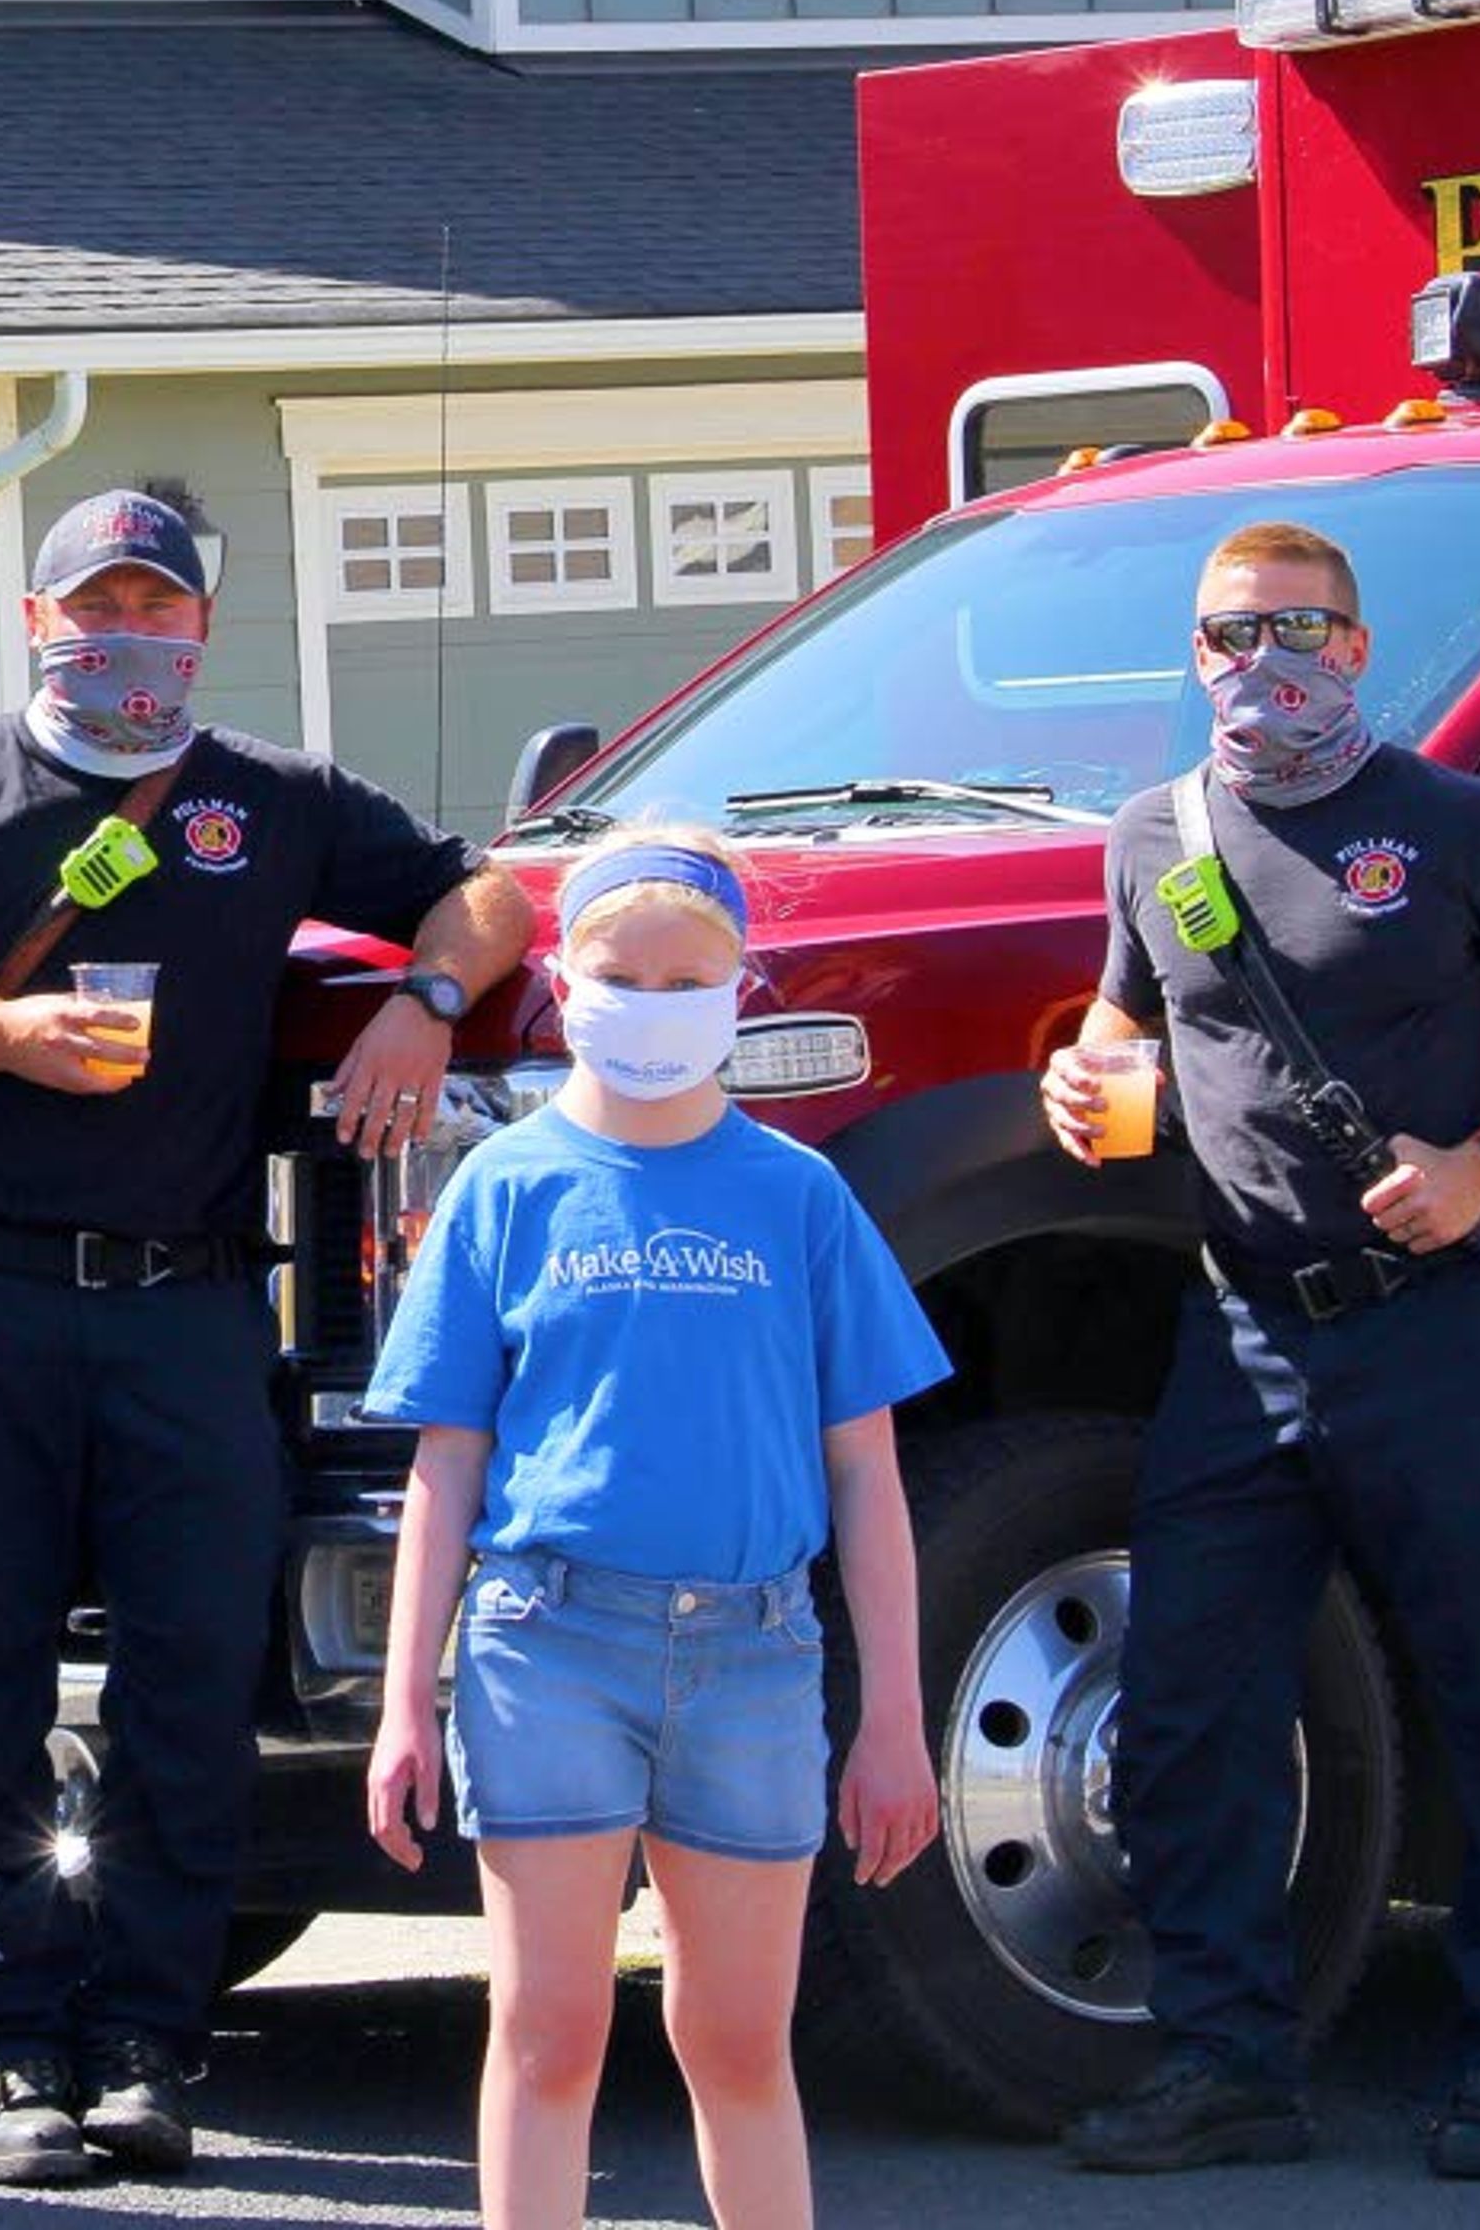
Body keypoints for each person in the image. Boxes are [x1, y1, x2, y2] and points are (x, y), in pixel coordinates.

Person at [0, 484, 536, 2185]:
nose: (127, 634)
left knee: (193, 1679)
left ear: (199, 630)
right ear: (41, 621)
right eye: (95, 604)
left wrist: (420, 1005)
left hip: (186, 1300)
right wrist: (1, 1031)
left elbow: (487, 900)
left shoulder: (266, 800)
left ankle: (146, 2037)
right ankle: (9, 2041)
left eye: (157, 605)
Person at [1043, 521, 1480, 2182]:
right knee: (1184, 1709)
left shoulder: (1459, 822)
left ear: (1358, 648)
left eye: (1294, 629)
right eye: (1228, 635)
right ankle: (1229, 2061)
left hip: (1439, 1328)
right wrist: (1082, 1084)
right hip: (1246, 1333)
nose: (1259, 663)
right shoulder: (1159, 837)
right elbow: (1121, 1026)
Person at [361, 828, 945, 2230]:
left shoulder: (800, 1196)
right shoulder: (505, 1188)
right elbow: (447, 1468)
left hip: (755, 1659)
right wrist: (404, 1704)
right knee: (549, 2030)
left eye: (692, 975)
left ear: (742, 986)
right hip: (546, 1648)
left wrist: (896, 1720)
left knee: (739, 2042)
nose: (657, 998)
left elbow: (867, 1472)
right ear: (565, 979)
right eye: (624, 972)